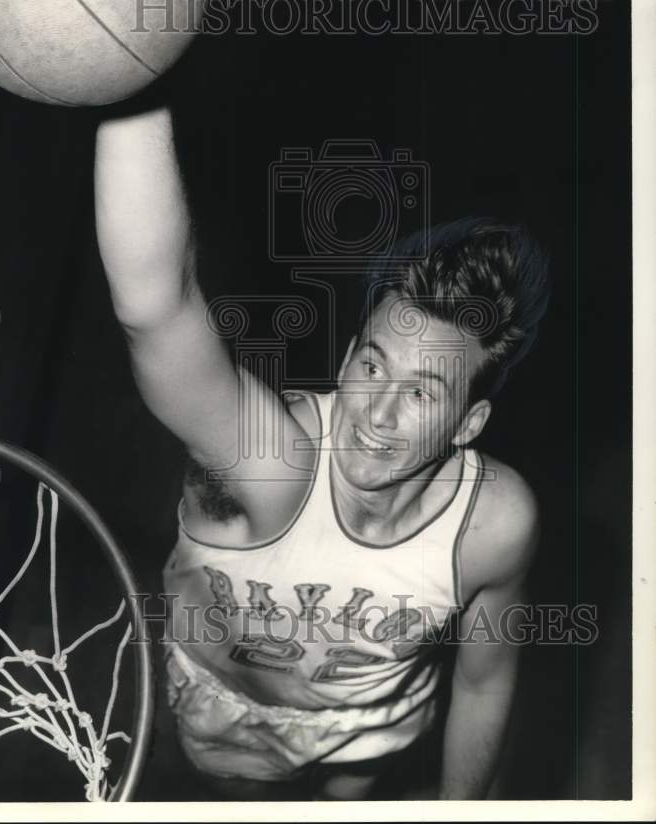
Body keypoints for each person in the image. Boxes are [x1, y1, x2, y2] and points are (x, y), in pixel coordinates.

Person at [94, 106, 551, 801]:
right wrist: (130, 88)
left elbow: (485, 680)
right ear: (346, 356)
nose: (376, 412)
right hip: (228, 711)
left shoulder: (495, 523)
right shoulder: (272, 466)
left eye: (422, 393)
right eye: (371, 366)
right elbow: (155, 309)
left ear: (468, 423)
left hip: (371, 724)